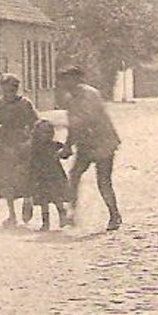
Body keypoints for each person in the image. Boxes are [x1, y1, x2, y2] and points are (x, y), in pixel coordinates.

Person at [57, 66, 121, 231]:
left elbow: (86, 119)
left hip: (103, 143)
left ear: (77, 79)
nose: (64, 83)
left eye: (67, 79)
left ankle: (114, 215)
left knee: (103, 181)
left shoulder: (90, 94)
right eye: (63, 79)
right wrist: (68, 145)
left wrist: (68, 145)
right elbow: (74, 125)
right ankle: (72, 213)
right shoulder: (71, 99)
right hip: (86, 144)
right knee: (75, 175)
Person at [0, 74, 37, 226]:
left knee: (25, 176)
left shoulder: (25, 103)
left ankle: (27, 201)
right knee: (6, 179)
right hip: (6, 143)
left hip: (22, 142)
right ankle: (12, 215)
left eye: (12, 89)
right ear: (2, 89)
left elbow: (35, 122)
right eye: (6, 89)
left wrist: (33, 141)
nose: (9, 93)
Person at [22, 117, 71, 231]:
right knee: (43, 201)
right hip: (40, 176)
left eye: (47, 133)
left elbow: (66, 152)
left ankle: (62, 216)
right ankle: (46, 223)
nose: (44, 136)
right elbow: (28, 160)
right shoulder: (33, 147)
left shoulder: (54, 145)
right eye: (41, 133)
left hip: (54, 176)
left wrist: (62, 152)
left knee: (57, 198)